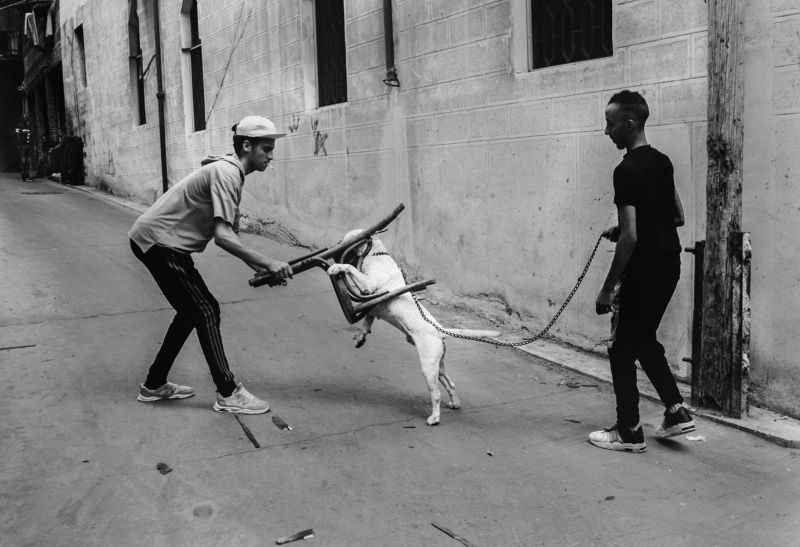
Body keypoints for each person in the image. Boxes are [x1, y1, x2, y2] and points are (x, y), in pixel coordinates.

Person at [129, 116, 292, 414]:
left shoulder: (230, 172)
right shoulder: (226, 173)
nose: (271, 156)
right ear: (247, 146)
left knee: (192, 311)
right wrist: (269, 261)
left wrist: (258, 266)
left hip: (164, 243)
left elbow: (232, 234)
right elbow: (223, 237)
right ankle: (228, 393)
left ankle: (154, 384)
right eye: (266, 149)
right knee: (205, 309)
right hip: (159, 243)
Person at [589, 90, 696, 452]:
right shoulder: (662, 162)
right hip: (668, 267)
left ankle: (629, 431)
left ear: (630, 123)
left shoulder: (625, 171)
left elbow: (631, 237)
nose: (607, 131)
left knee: (621, 348)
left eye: (611, 123)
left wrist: (608, 287)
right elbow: (676, 217)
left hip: (643, 271)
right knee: (644, 339)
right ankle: (677, 410)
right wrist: (623, 228)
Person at [15, 115, 33, 182]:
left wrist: (32, 145)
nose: (26, 119)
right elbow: (17, 135)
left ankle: (27, 175)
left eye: (27, 118)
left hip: (29, 145)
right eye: (24, 118)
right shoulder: (19, 126)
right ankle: (23, 176)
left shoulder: (29, 126)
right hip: (22, 145)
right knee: (23, 160)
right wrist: (19, 144)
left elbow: (31, 136)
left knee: (28, 160)